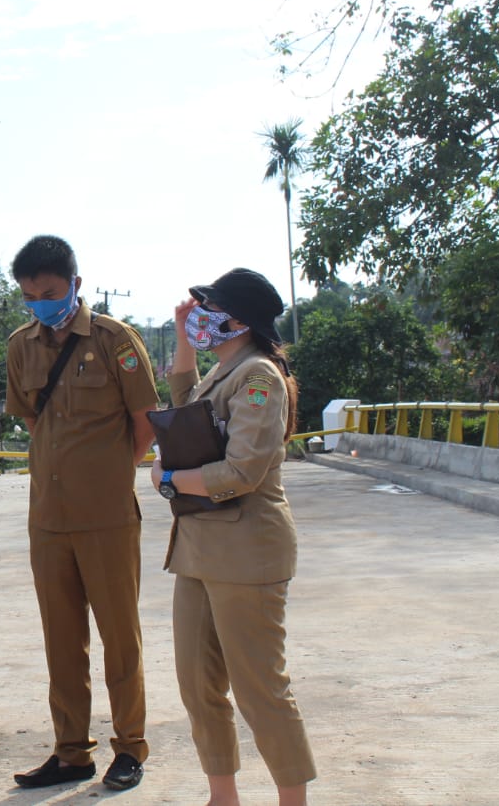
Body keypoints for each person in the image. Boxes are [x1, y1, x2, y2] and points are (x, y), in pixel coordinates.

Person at [151, 268, 316, 806]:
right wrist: (181, 337)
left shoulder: (259, 376)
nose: (199, 314)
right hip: (199, 550)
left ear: (239, 319)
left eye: (209, 308)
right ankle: (223, 796)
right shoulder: (224, 370)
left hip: (247, 550)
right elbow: (182, 405)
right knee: (198, 685)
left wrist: (172, 481)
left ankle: (292, 800)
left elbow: (242, 471)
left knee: (260, 690)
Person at [5, 235, 157, 792]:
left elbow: (145, 421)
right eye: (29, 296)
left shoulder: (116, 341)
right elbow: (31, 419)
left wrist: (111, 476)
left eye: (49, 292)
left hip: (108, 517)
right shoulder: (21, 346)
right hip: (48, 518)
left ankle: (130, 747)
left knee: (120, 638)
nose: (40, 304)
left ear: (75, 283)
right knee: (62, 641)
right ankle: (71, 751)